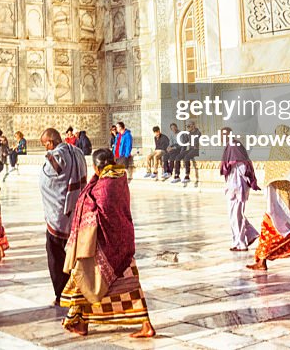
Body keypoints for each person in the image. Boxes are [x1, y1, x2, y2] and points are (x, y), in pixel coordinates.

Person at [60, 148, 155, 338]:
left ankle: (144, 324)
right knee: (122, 283)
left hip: (105, 243)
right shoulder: (118, 180)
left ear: (96, 168)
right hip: (119, 240)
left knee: (86, 276)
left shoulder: (104, 185)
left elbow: (98, 209)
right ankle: (82, 322)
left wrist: (85, 202)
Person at [248, 124, 290, 272]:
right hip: (288, 196)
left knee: (273, 227)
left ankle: (262, 261)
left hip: (280, 198)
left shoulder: (279, 149)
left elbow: (274, 174)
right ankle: (262, 260)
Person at [39, 127, 88, 306]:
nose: (46, 149)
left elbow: (49, 182)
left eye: (45, 145)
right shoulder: (78, 152)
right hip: (77, 211)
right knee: (75, 253)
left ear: (50, 142)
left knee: (55, 254)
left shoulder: (56, 157)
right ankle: (78, 290)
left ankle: (62, 294)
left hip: (59, 214)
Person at [220, 131, 259, 251]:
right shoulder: (233, 145)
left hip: (237, 187)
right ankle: (250, 234)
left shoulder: (233, 146)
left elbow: (242, 167)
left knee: (236, 215)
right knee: (235, 214)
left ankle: (240, 243)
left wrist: (241, 185)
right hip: (235, 186)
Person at [170, 121, 201, 186]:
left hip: (197, 150)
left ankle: (187, 176)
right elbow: (184, 142)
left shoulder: (198, 132)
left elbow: (196, 140)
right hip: (190, 149)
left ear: (193, 126)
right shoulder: (189, 133)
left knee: (186, 157)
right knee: (178, 157)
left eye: (189, 126)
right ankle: (177, 176)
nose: (188, 128)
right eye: (187, 126)